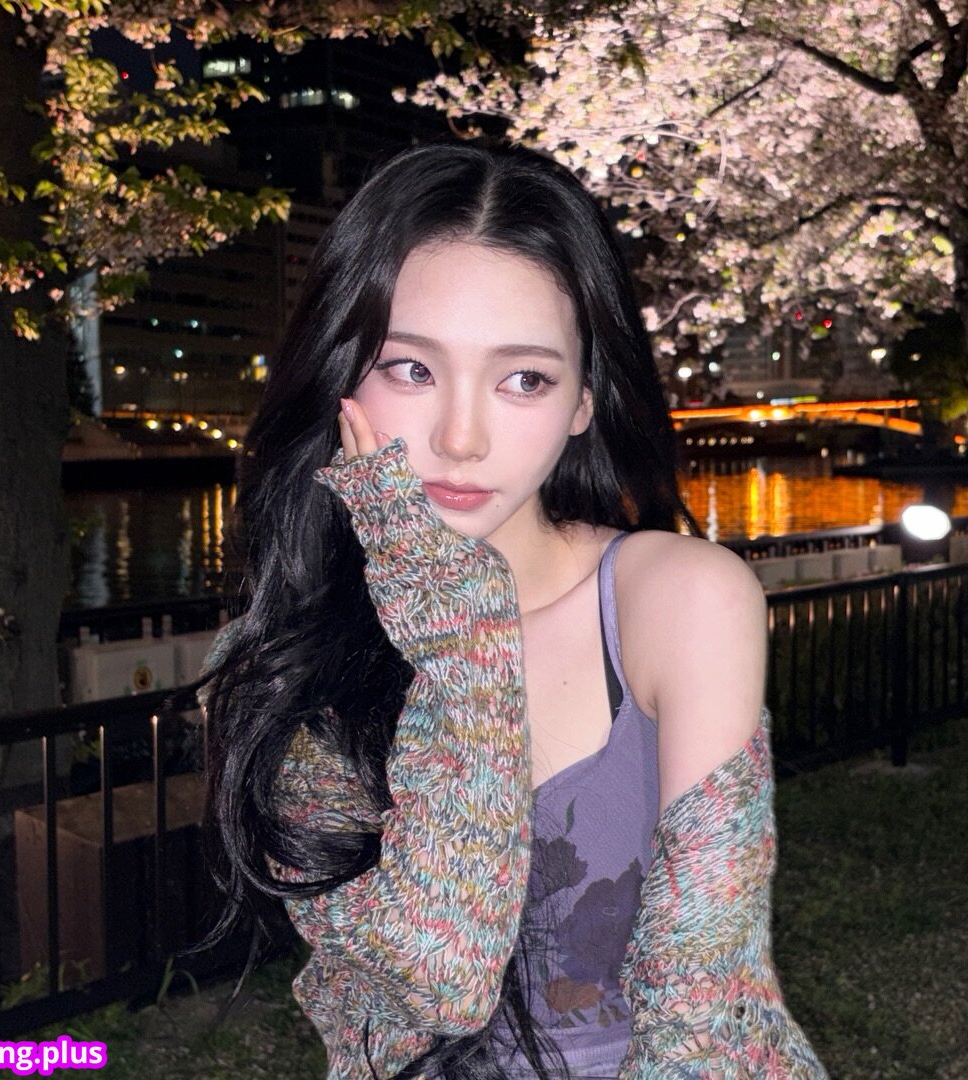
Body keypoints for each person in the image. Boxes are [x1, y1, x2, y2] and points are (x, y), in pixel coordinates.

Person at [194, 141, 827, 1079]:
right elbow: (435, 983)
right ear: (341, 376)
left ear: (583, 401)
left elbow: (704, 1000)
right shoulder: (283, 668)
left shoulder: (679, 599)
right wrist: (458, 635)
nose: (462, 437)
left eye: (524, 378)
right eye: (411, 369)